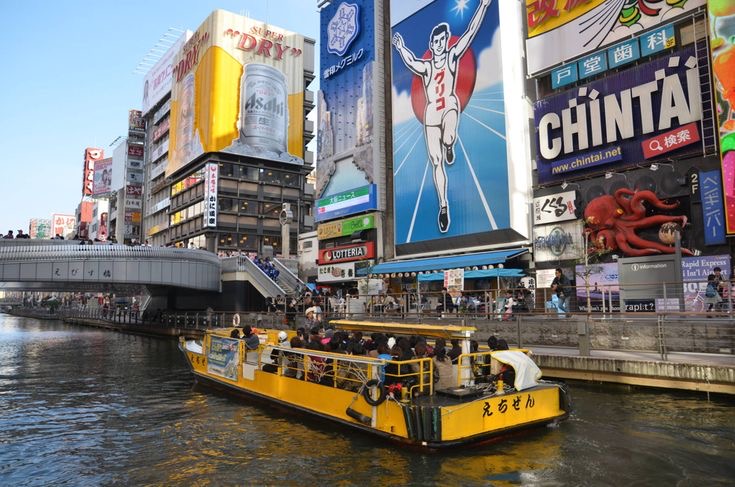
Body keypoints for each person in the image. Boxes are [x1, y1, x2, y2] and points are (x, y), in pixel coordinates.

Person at [392, 0, 491, 233]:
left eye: (442, 41)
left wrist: (484, 7)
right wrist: (399, 48)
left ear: (446, 42)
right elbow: (411, 61)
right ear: (431, 43)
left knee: (449, 135)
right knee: (436, 163)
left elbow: (470, 33)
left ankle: (450, 144)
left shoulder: (452, 57)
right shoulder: (427, 67)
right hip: (431, 114)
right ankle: (443, 206)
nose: (438, 45)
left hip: (449, 105)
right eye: (435, 42)